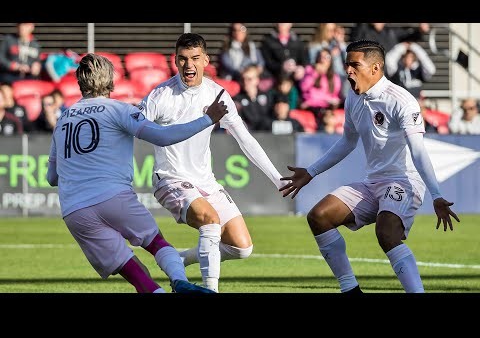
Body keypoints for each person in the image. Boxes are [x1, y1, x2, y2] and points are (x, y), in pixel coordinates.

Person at [279, 40, 460, 293]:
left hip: (403, 180)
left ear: (375, 68)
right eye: (347, 65)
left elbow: (418, 151)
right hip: (373, 181)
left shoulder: (402, 101)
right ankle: (350, 290)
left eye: (355, 65)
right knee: (319, 217)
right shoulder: (353, 98)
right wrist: (311, 171)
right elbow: (347, 142)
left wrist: (437, 195)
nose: (348, 71)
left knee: (386, 232)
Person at [46, 53, 228, 293]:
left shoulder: (63, 119)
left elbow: (52, 178)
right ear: (111, 79)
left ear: (79, 81)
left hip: (75, 210)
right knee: (155, 243)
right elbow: (163, 137)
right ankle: (179, 281)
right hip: (113, 197)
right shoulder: (119, 110)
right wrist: (206, 120)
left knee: (130, 269)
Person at [140, 33, 286, 293]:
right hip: (170, 179)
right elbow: (132, 127)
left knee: (241, 247)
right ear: (175, 61)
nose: (189, 65)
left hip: (205, 181)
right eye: (183, 59)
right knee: (210, 220)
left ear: (206, 60)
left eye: (195, 58)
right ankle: (211, 290)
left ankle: (180, 259)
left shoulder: (218, 94)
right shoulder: (160, 96)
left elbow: (245, 140)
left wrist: (278, 179)